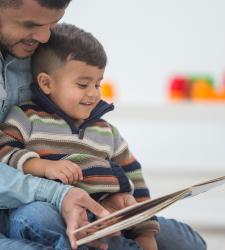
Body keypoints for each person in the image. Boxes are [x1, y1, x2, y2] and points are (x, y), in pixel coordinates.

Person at [0, 21, 206, 250]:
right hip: (48, 210)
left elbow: (135, 181)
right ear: (46, 83)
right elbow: (4, 150)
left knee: (189, 241)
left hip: (104, 217)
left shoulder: (106, 131)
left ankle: (108, 243)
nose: (93, 93)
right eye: (83, 84)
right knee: (39, 217)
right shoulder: (27, 117)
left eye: (98, 84)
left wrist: (144, 231)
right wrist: (42, 166)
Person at [0, 1, 110, 250]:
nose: (45, 36)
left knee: (179, 238)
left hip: (30, 207)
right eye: (31, 24)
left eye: (53, 23)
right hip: (32, 208)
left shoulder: (35, 51)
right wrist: (57, 194)